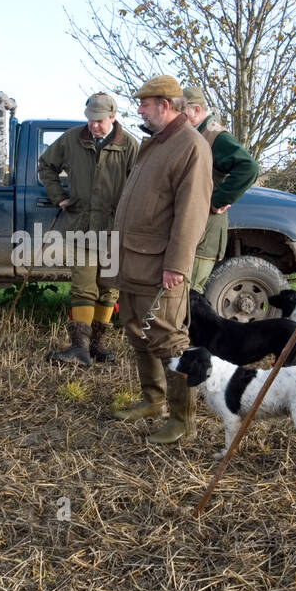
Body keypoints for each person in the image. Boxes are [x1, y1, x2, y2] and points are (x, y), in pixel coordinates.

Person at [106, 75, 212, 444]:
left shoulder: (191, 146)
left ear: (165, 106)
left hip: (161, 267)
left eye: (144, 105)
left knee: (168, 338)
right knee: (137, 331)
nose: (139, 110)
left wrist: (177, 265)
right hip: (135, 260)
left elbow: (192, 213)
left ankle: (182, 420)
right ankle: (153, 400)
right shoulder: (155, 144)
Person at [38, 92, 138, 366]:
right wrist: (58, 195)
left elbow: (141, 184)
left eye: (100, 120)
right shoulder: (71, 139)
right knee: (83, 287)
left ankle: (97, 345)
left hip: (114, 230)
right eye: (91, 120)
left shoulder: (129, 145)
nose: (94, 125)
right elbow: (46, 166)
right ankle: (79, 348)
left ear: (113, 117)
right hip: (81, 226)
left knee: (109, 289)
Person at [182, 86, 259, 294]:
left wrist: (217, 200)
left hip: (205, 232)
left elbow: (248, 168)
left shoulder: (216, 137)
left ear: (196, 110)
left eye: (182, 113)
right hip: (194, 229)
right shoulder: (196, 134)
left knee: (189, 296)